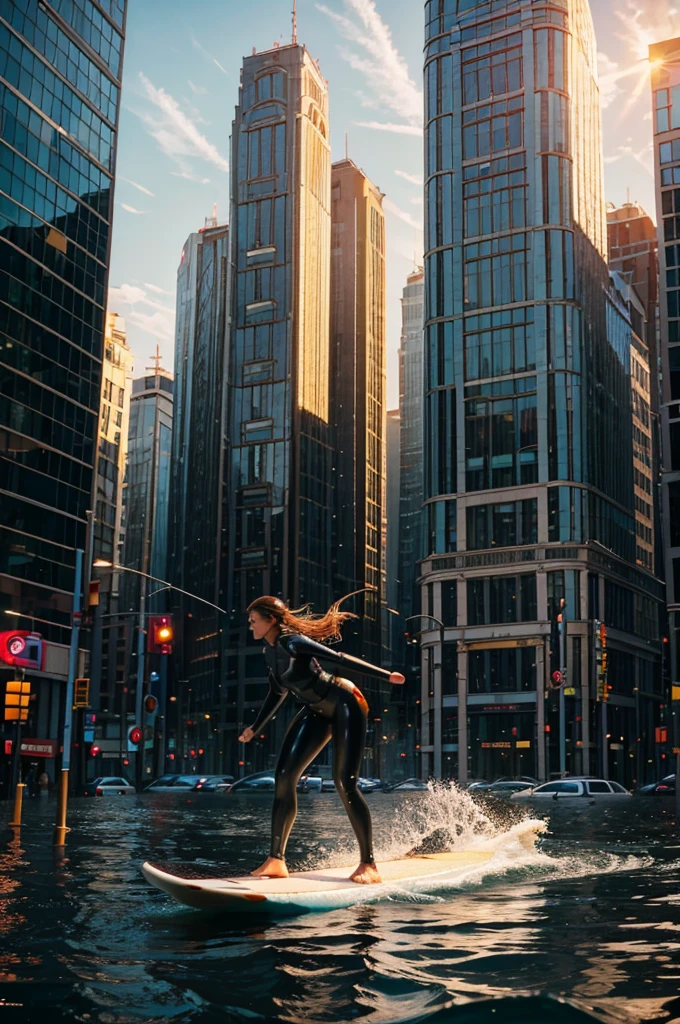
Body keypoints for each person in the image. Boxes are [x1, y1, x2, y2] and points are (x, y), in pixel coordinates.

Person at [239, 595, 405, 885]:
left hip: (346, 702)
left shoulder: (294, 642)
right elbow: (277, 693)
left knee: (345, 783)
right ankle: (276, 860)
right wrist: (255, 728)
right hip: (316, 710)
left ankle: (368, 864)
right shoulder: (270, 653)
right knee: (284, 777)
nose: (250, 625)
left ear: (271, 620)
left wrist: (385, 675)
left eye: (254, 619)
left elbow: (339, 659)